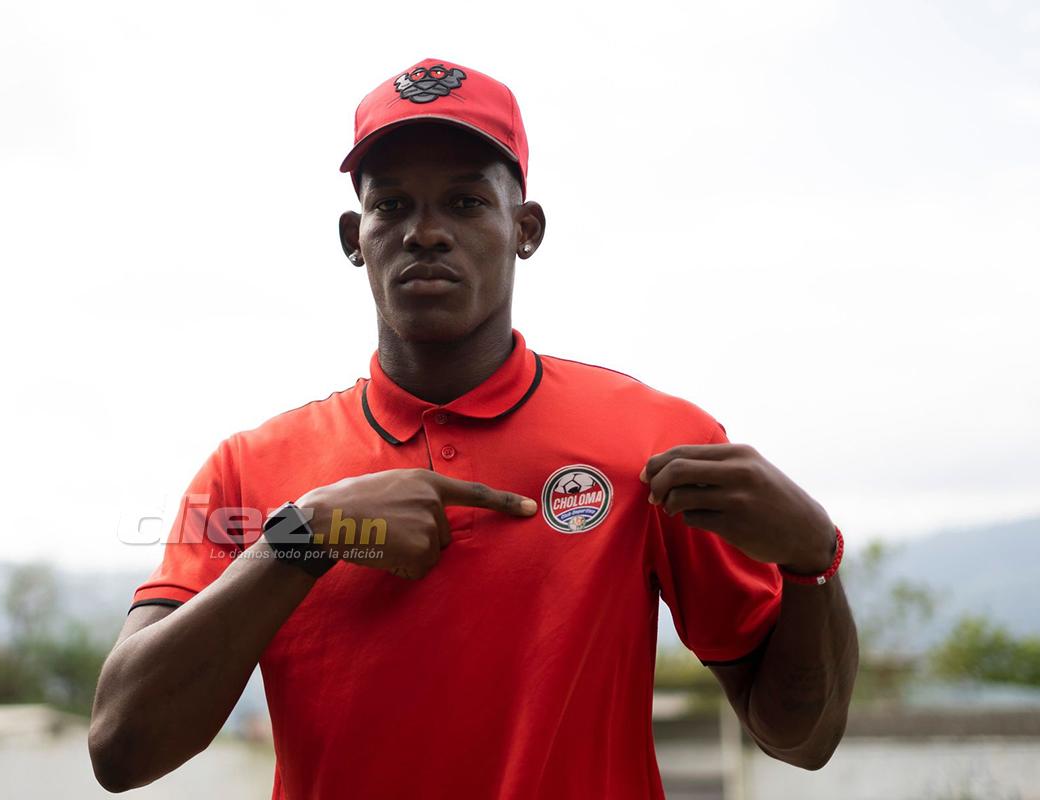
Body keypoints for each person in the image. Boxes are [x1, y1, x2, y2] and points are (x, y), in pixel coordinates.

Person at [88, 57, 858, 798]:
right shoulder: (250, 470)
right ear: (353, 239)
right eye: (391, 205)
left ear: (526, 228)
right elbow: (122, 747)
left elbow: (801, 738)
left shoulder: (653, 440)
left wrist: (812, 562)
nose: (425, 232)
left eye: (465, 202)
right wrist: (307, 535)